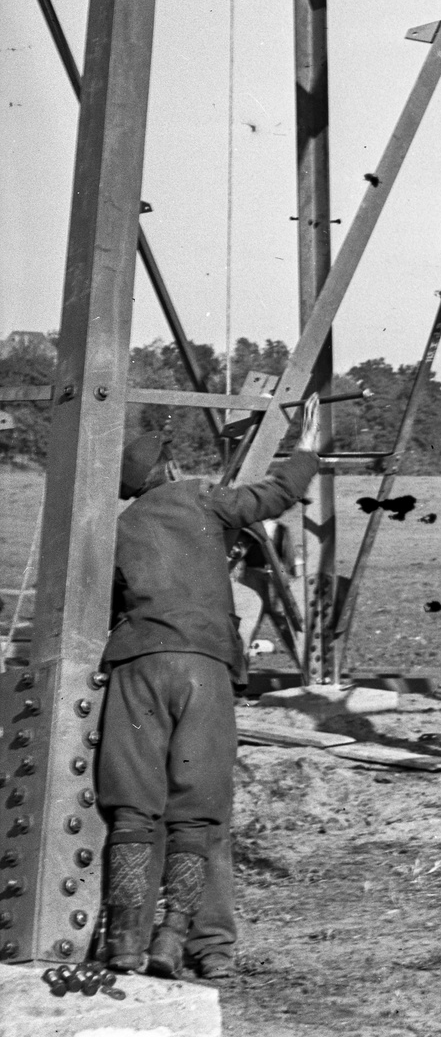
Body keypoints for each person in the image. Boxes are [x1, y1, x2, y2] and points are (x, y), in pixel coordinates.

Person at [98, 398, 321, 977]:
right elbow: (272, 496)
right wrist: (306, 452)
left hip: (137, 665)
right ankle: (181, 944)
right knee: (198, 815)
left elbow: (104, 606)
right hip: (203, 666)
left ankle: (124, 943)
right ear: (169, 469)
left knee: (132, 812)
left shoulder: (117, 526)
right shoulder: (199, 496)